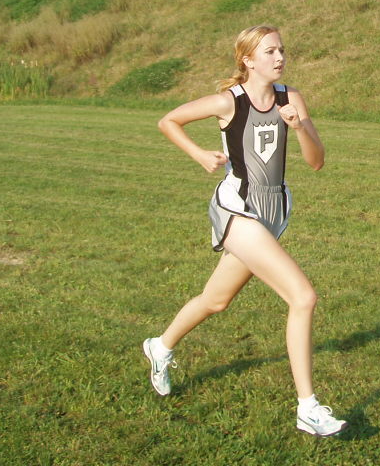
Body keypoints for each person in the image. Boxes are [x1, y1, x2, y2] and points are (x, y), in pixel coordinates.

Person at [141, 24, 347, 437]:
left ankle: (159, 347)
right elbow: (169, 120)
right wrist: (200, 154)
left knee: (216, 301)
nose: (280, 57)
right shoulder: (228, 101)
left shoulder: (291, 98)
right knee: (303, 297)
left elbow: (317, 161)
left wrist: (299, 128)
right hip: (237, 209)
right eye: (270, 51)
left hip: (273, 212)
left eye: (282, 50)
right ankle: (307, 407)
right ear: (248, 60)